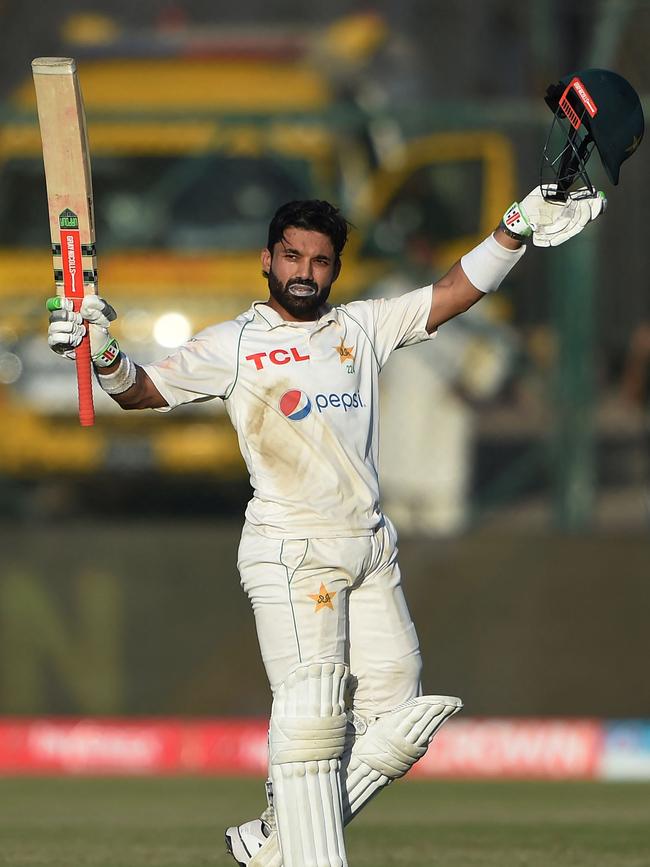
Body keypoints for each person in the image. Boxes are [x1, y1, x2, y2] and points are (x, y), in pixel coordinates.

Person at [47, 188, 605, 867]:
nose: (304, 271)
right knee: (313, 717)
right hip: (291, 550)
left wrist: (515, 227)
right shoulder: (236, 342)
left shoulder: (361, 327)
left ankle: (278, 836)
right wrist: (103, 349)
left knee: (399, 721)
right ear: (267, 260)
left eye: (319, 260)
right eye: (292, 256)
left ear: (335, 268)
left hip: (369, 545)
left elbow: (455, 291)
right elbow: (141, 390)